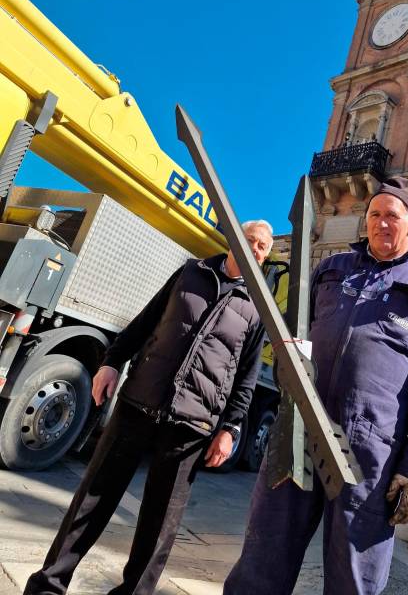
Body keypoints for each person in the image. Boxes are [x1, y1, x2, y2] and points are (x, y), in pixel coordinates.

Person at [224, 179, 408, 595]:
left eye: (392, 216)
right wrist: (287, 359)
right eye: (374, 215)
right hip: (296, 432)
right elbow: (291, 335)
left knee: (353, 578)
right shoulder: (330, 270)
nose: (381, 223)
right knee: (261, 561)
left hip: (369, 454)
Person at [25, 220, 274, 595]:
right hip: (138, 402)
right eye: (250, 240)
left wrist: (231, 427)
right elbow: (146, 320)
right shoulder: (192, 271)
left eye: (262, 248)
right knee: (90, 502)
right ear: (234, 240)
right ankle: (48, 585)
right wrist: (112, 361)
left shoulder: (258, 309)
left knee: (159, 528)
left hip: (191, 426)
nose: (254, 250)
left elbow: (247, 377)